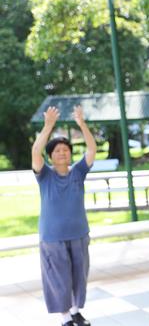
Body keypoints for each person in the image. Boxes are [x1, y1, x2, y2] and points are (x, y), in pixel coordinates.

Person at [32, 106, 96, 326]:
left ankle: (76, 311)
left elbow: (91, 150)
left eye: (65, 150)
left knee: (79, 276)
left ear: (70, 154)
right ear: (50, 156)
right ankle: (65, 317)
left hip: (79, 234)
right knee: (59, 279)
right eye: (57, 150)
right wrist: (48, 126)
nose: (62, 153)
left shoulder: (78, 172)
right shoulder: (45, 176)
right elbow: (35, 152)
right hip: (53, 237)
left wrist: (82, 124)